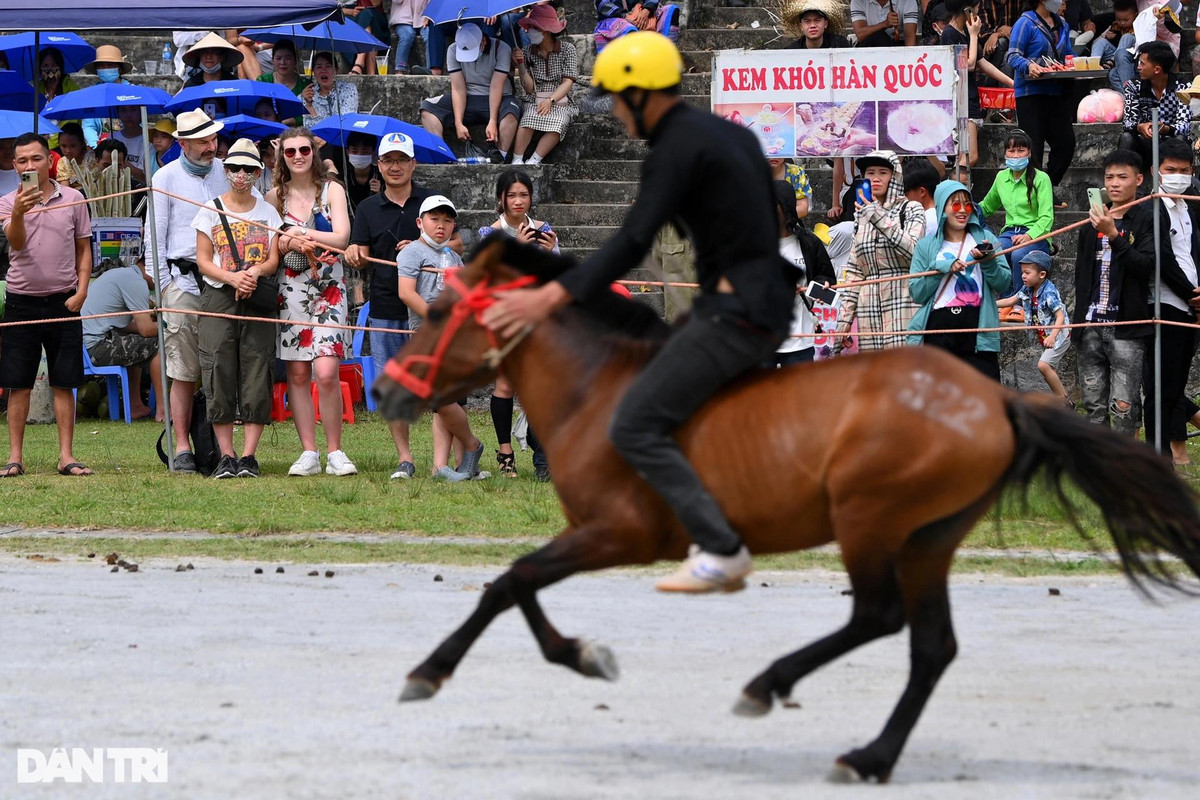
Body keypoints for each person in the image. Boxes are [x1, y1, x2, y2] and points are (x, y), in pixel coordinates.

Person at [482, 32, 795, 593]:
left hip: (737, 309)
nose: (619, 118)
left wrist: (552, 294)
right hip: (760, 299)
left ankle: (720, 547)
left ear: (642, 94)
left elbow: (630, 243)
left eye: (620, 103)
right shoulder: (728, 135)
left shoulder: (674, 150)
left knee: (634, 423)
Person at [344, 132, 463, 480]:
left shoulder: (431, 202)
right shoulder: (366, 208)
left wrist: (423, 245)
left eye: (401, 160)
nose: (395, 166)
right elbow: (358, 253)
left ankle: (447, 462)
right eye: (388, 160)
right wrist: (354, 255)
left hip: (428, 310)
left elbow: (456, 242)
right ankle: (405, 459)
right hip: (385, 306)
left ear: (413, 163)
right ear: (379, 165)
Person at [0, 133, 94, 478]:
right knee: (18, 381)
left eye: (36, 159)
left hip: (64, 301)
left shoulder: (73, 198)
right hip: (21, 302)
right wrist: (22, 212)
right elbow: (17, 242)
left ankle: (66, 456)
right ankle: (14, 457)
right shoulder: (8, 202)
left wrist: (82, 291)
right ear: (14, 165)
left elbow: (84, 249)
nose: (29, 166)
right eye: (22, 160)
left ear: (49, 160)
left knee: (64, 380)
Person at [266, 127, 357, 478]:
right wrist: (288, 242)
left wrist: (300, 234)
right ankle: (309, 451)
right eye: (290, 152)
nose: (299, 156)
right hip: (290, 287)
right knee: (298, 372)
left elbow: (341, 236)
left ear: (314, 153)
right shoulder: (275, 196)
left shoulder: (332, 189)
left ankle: (335, 450)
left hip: (329, 287)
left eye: (304, 149)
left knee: (327, 370)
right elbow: (272, 243)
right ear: (282, 157)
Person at [191, 139, 282, 479]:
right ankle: (226, 454)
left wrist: (253, 273)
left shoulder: (268, 212)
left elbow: (273, 259)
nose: (241, 175)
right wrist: (232, 278)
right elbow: (202, 261)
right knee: (218, 367)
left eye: (248, 169)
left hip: (255, 294)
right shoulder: (209, 209)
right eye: (234, 168)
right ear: (225, 171)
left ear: (258, 173)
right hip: (219, 294)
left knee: (258, 365)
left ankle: (249, 455)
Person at [151, 109, 230, 473]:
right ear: (182, 144)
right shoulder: (164, 177)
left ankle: (221, 447)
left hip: (224, 281)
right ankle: (182, 445)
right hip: (180, 280)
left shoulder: (229, 173)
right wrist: (165, 289)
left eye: (213, 139)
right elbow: (155, 238)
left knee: (222, 367)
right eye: (202, 141)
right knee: (183, 370)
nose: (211, 147)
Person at [1072, 149, 1164, 435]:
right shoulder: (1090, 224)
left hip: (1127, 325)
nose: (1114, 183)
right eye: (1109, 177)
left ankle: (1124, 463)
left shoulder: (1147, 219)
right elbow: (1081, 274)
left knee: (1123, 404)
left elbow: (1146, 266)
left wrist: (1114, 235)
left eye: (1122, 177)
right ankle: (1098, 466)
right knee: (1093, 403)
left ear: (1138, 180)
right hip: (1090, 322)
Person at [397, 195, 488, 481]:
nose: (441, 226)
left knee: (450, 399)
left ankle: (447, 466)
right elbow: (406, 292)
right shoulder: (412, 252)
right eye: (435, 219)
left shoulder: (454, 257)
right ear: (419, 222)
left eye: (448, 221)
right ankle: (472, 445)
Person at [477, 169, 560, 478]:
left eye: (523, 194)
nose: (518, 201)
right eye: (511, 195)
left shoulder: (544, 229)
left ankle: (543, 456)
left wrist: (551, 254)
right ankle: (505, 451)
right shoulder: (491, 233)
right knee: (506, 385)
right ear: (501, 198)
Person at [907, 181, 1010, 380]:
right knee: (938, 399)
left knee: (985, 395)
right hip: (938, 327)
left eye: (968, 205)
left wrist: (987, 262)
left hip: (978, 326)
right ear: (941, 208)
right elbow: (917, 293)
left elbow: (1004, 283)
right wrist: (940, 268)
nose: (962, 210)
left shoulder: (985, 237)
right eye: (955, 205)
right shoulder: (925, 246)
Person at [834, 151, 926, 352]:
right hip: (868, 307)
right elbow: (855, 271)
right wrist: (844, 321)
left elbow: (913, 251)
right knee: (875, 376)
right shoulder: (861, 217)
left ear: (895, 176)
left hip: (903, 299)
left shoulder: (912, 209)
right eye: (870, 173)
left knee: (904, 372)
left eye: (883, 172)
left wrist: (876, 215)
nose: (875, 178)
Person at [1142, 137, 1200, 456]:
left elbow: (1191, 256)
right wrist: (1192, 295)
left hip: (1188, 310)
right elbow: (1162, 259)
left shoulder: (1187, 209)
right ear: (1155, 171)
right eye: (1171, 169)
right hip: (1164, 306)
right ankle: (1158, 457)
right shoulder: (1152, 209)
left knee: (1176, 388)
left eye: (1185, 170)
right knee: (1159, 390)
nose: (1178, 175)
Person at [419, 23, 522, 161]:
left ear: (483, 41)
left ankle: (499, 156)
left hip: (499, 98)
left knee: (511, 115)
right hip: (468, 99)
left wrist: (492, 121)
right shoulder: (453, 50)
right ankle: (441, 153)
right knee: (428, 108)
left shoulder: (501, 48)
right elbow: (458, 88)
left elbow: (496, 86)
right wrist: (458, 123)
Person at [80, 261, 164, 421]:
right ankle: (163, 411)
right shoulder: (137, 283)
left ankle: (135, 405)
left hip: (86, 348)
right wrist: (171, 325)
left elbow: (124, 327)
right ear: (151, 267)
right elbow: (146, 330)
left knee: (136, 345)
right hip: (96, 347)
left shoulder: (120, 274)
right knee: (157, 346)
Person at [978, 128, 1054, 305]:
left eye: (1021, 150)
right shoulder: (1001, 177)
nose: (1016, 154)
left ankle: (1020, 302)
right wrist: (967, 209)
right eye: (1011, 150)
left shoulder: (1041, 179)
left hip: (1035, 234)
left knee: (1018, 254)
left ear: (1029, 153)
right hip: (1009, 233)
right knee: (994, 251)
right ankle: (1006, 299)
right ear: (1005, 153)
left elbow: (1046, 217)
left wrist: (1028, 236)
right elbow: (987, 206)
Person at [1007, 0, 1077, 186]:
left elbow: (1068, 54)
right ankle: (1036, 191)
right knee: (1034, 148)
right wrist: (1028, 65)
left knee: (1066, 144)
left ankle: (1048, 186)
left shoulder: (1062, 24)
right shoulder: (1025, 23)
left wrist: (1080, 63)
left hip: (1056, 92)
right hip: (1030, 94)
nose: (1062, 1)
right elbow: (1012, 56)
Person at [942, 0, 1012, 175]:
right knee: (969, 156)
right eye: (977, 8)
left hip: (970, 98)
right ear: (967, 10)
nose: (979, 12)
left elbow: (982, 63)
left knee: (966, 156)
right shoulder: (950, 34)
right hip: (961, 100)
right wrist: (974, 35)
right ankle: (953, 192)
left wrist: (1012, 83)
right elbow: (969, 64)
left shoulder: (964, 31)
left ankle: (958, 191)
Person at [774, 180, 836, 367]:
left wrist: (814, 288)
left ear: (787, 207)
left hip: (800, 339)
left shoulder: (808, 242)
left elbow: (828, 281)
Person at [996, 251, 1071, 398]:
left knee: (1043, 366)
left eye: (1027, 272)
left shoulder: (1049, 292)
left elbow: (1060, 316)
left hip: (1059, 336)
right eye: (1022, 272)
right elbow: (1011, 300)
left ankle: (1064, 402)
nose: (1023, 276)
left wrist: (1053, 337)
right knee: (1048, 370)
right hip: (1045, 336)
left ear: (1041, 274)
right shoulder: (1028, 289)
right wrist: (987, 304)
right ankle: (1064, 402)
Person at [511, 5, 579, 166]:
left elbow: (568, 82)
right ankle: (517, 159)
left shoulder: (567, 49)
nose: (529, 31)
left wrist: (551, 100)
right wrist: (520, 65)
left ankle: (534, 159)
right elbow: (529, 88)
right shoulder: (527, 51)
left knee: (559, 123)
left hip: (559, 97)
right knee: (528, 118)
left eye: (534, 27)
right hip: (534, 96)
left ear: (546, 30)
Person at [1117, 41, 1189, 170]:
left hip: (1170, 144)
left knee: (1181, 139)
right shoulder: (1134, 86)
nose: (1138, 67)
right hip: (1144, 142)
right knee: (1126, 138)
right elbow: (1127, 122)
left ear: (1157, 69)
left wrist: (1166, 128)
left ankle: (1177, 180)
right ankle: (1124, 177)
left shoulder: (1182, 87)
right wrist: (1140, 127)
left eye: (1142, 64)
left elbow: (1184, 125)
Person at [80, 45, 134, 149]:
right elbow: (89, 125)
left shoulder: (132, 92)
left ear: (119, 68)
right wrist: (96, 147)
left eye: (110, 65)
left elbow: (137, 122)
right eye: (102, 66)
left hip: (129, 144)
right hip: (102, 146)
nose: (106, 69)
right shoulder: (92, 94)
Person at [257, 40, 311, 127]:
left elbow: (310, 112)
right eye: (278, 58)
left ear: (295, 60)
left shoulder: (306, 85)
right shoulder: (263, 81)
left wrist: (291, 121)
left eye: (288, 58)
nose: (283, 62)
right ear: (273, 60)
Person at [594, 1, 682, 53]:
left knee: (671, 11)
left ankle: (666, 54)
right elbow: (602, 4)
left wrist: (647, 10)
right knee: (629, 29)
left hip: (643, 15)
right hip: (614, 18)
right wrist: (625, 15)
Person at [302, 51, 360, 129]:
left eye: (328, 66)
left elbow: (346, 121)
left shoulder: (349, 89)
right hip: (315, 139)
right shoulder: (307, 95)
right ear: (313, 72)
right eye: (319, 67)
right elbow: (308, 128)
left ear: (336, 70)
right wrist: (309, 106)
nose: (323, 70)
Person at [1090, 0, 1138, 90]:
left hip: (1129, 56)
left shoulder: (1138, 26)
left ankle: (1113, 60)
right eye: (1119, 19)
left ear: (1135, 15)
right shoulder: (1115, 25)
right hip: (1113, 56)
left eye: (1126, 20)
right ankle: (1093, 65)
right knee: (1101, 41)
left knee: (1127, 37)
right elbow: (1098, 41)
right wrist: (1106, 37)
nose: (1122, 23)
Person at [782, 0, 852, 49]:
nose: (813, 25)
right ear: (801, 26)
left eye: (817, 20)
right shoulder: (793, 51)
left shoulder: (839, 45)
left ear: (825, 24)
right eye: (807, 21)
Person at [850, 0, 920, 46]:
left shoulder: (908, 1)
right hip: (869, 47)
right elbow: (860, 34)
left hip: (897, 46)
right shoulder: (858, 1)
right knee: (879, 37)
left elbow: (910, 40)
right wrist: (885, 24)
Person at [390, 0, 432, 75]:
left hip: (424, 17)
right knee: (407, 35)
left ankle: (430, 69)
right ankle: (400, 69)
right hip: (402, 18)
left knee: (430, 35)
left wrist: (429, 15)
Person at [902, 157, 941, 236]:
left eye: (906, 194)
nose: (904, 198)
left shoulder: (925, 220)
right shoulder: (943, 214)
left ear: (922, 191)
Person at [344, 132, 382, 212]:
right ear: (348, 152)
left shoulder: (383, 177)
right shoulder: (341, 179)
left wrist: (381, 194)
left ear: (373, 153)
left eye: (365, 151)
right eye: (354, 151)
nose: (359, 155)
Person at [110, 106, 148, 182]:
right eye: (123, 110)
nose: (128, 115)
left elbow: (145, 177)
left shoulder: (149, 140)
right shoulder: (112, 138)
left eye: (133, 110)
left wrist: (122, 161)